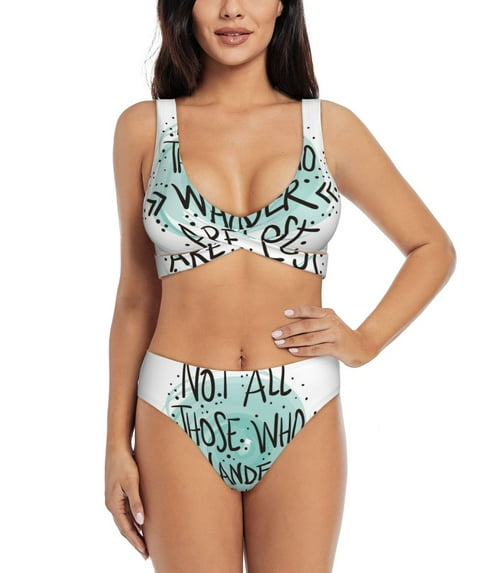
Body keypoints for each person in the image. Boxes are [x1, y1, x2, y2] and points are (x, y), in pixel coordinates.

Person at [104, 0, 456, 571]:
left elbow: (431, 248)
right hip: (174, 406)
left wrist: (365, 341)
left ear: (281, 7)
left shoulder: (329, 127)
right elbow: (136, 295)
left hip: (301, 402)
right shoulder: (144, 128)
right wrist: (116, 445)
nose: (232, 10)